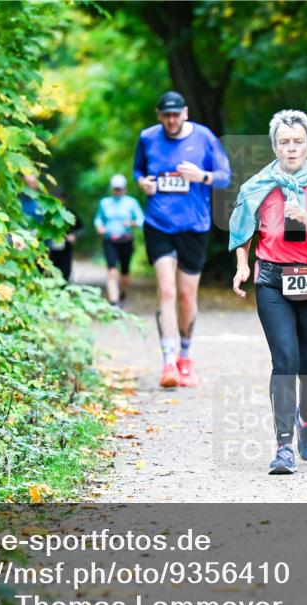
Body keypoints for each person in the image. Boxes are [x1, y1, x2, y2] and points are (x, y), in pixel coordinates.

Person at [229, 110, 307, 475]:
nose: (291, 148)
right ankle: (283, 447)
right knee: (285, 362)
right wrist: (242, 265)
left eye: (298, 142)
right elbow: (242, 226)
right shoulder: (260, 184)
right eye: (284, 142)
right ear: (275, 146)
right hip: (273, 282)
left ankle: (306, 421)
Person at [133, 91, 232, 388]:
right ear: (158, 114)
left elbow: (225, 176)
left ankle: (185, 359)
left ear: (185, 112)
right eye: (166, 115)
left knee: (187, 295)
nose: (172, 120)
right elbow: (139, 171)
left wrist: (201, 176)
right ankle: (168, 362)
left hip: (194, 225)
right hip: (159, 223)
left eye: (176, 114)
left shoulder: (204, 138)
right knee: (166, 290)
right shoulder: (148, 138)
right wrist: (143, 183)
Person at [94, 173, 143, 306]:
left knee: (125, 273)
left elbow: (140, 220)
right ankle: (113, 302)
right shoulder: (105, 203)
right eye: (115, 188)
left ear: (125, 188)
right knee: (112, 270)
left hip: (126, 240)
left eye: (120, 188)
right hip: (110, 239)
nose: (117, 191)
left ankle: (122, 294)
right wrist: (99, 227)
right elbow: (98, 219)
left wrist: (131, 223)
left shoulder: (131, 202)